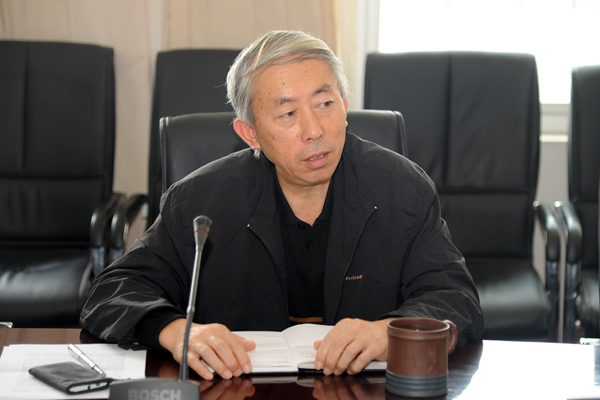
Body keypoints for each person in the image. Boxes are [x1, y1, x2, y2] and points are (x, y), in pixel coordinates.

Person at [80, 30, 483, 381]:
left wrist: (392, 331)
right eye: (288, 113)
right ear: (250, 133)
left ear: (345, 106)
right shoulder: (200, 202)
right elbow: (113, 292)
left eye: (325, 104)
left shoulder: (404, 190)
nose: (314, 130)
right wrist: (176, 331)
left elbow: (455, 297)